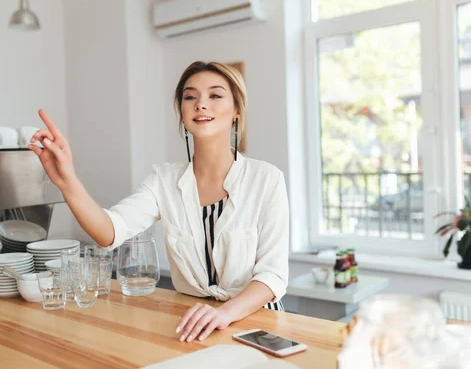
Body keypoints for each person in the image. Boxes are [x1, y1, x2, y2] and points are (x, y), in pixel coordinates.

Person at [29, 61, 289, 343]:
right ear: (181, 111)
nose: (201, 104)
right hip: (193, 325)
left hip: (257, 322)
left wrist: (225, 313)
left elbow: (272, 275)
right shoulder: (163, 179)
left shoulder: (267, 178)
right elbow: (109, 232)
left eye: (215, 95)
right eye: (190, 97)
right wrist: (67, 181)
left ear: (237, 111)